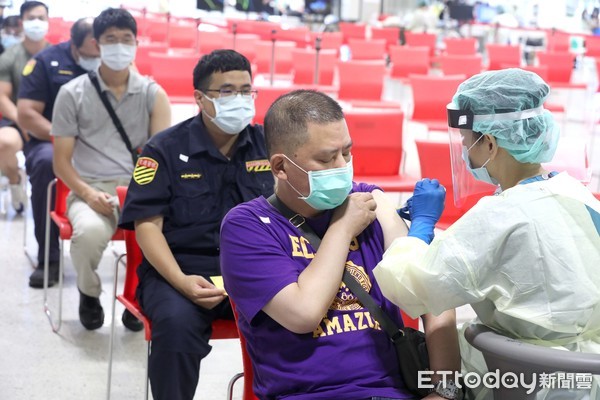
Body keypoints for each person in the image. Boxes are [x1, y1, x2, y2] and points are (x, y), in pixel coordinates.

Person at [220, 89, 462, 400]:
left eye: (346, 153)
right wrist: (342, 228)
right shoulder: (248, 226)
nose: (343, 167)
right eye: (326, 158)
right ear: (280, 167)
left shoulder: (370, 201)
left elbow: (429, 287)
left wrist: (446, 391)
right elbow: (304, 313)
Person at [374, 68, 600, 400]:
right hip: (587, 372)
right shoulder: (575, 193)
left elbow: (413, 288)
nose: (465, 152)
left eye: (467, 142)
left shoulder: (498, 216)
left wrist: (420, 228)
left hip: (524, 379)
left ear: (491, 143)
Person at [119, 49, 274, 400]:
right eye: (227, 91)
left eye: (246, 90)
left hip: (255, 273)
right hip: (181, 274)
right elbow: (147, 227)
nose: (240, 99)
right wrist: (183, 283)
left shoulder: (270, 145)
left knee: (307, 319)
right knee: (175, 329)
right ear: (200, 99)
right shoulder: (163, 150)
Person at [51, 7, 171, 331]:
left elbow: (158, 158)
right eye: (111, 39)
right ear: (97, 43)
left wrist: (135, 192)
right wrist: (90, 195)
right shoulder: (71, 93)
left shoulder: (152, 94)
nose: (119, 45)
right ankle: (89, 293)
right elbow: (61, 161)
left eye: (126, 39)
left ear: (136, 43)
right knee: (88, 234)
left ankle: (141, 294)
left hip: (138, 189)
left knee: (169, 234)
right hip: (89, 188)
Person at [17, 17, 100, 288]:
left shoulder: (114, 63)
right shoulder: (45, 62)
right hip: (50, 140)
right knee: (44, 164)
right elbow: (27, 114)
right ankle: (49, 258)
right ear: (75, 45)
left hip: (102, 141)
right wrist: (66, 137)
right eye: (92, 52)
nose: (98, 57)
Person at [0, 1, 49, 216]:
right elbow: (2, 96)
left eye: (41, 18)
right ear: (22, 22)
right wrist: (24, 122)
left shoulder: (57, 55)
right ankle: (14, 180)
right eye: (31, 18)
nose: (36, 23)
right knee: (4, 142)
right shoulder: (10, 56)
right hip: (17, 121)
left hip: (52, 123)